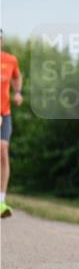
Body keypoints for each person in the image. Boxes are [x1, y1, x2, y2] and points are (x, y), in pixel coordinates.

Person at [0, 30, 24, 218]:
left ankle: (1, 201)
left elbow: (17, 76)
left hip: (4, 113)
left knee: (3, 150)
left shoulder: (10, 60)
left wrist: (17, 92)